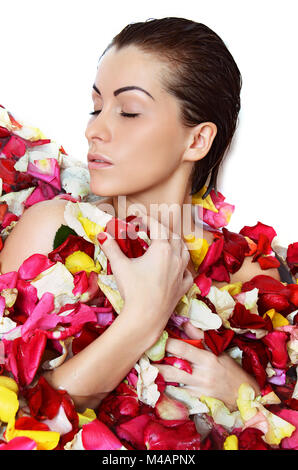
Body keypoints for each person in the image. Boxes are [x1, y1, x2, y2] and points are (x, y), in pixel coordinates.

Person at [0, 17, 280, 413]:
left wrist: (245, 393)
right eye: (96, 107)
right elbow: (20, 416)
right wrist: (144, 318)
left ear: (197, 140)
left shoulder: (247, 276)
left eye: (128, 112)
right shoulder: (50, 230)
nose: (94, 129)